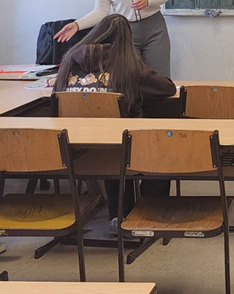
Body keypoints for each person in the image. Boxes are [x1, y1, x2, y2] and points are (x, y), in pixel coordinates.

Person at [52, 14, 176, 232]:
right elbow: (167, 88)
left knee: (111, 138)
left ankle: (117, 215)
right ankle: (149, 213)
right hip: (114, 149)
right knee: (157, 144)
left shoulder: (70, 59)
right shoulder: (126, 65)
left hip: (71, 151)